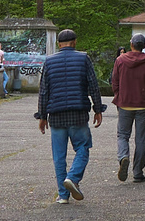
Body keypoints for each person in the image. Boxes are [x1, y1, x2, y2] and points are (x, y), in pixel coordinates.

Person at [34, 26, 103, 203]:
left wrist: (42, 116)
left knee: (59, 156)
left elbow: (44, 91)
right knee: (82, 147)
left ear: (59, 44)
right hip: (78, 113)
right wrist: (97, 109)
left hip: (56, 115)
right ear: (74, 42)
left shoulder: (49, 61)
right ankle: (72, 178)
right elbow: (93, 85)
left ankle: (63, 196)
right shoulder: (83, 58)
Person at [112, 32, 145, 184]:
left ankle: (123, 156)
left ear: (131, 44)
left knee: (122, 135)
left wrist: (119, 96)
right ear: (144, 46)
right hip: (142, 104)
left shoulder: (120, 60)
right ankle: (138, 172)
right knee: (141, 138)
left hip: (125, 103)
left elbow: (115, 81)